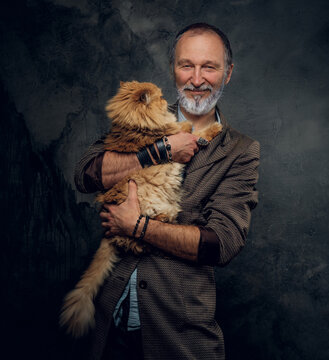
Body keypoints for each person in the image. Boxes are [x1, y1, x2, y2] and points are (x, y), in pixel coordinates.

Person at [73, 23, 260, 360]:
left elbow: (221, 243)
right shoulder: (143, 115)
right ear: (173, 68)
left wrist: (137, 227)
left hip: (178, 338)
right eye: (186, 65)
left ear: (228, 73)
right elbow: (86, 174)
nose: (197, 79)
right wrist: (158, 151)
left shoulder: (241, 151)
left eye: (210, 67)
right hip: (107, 327)